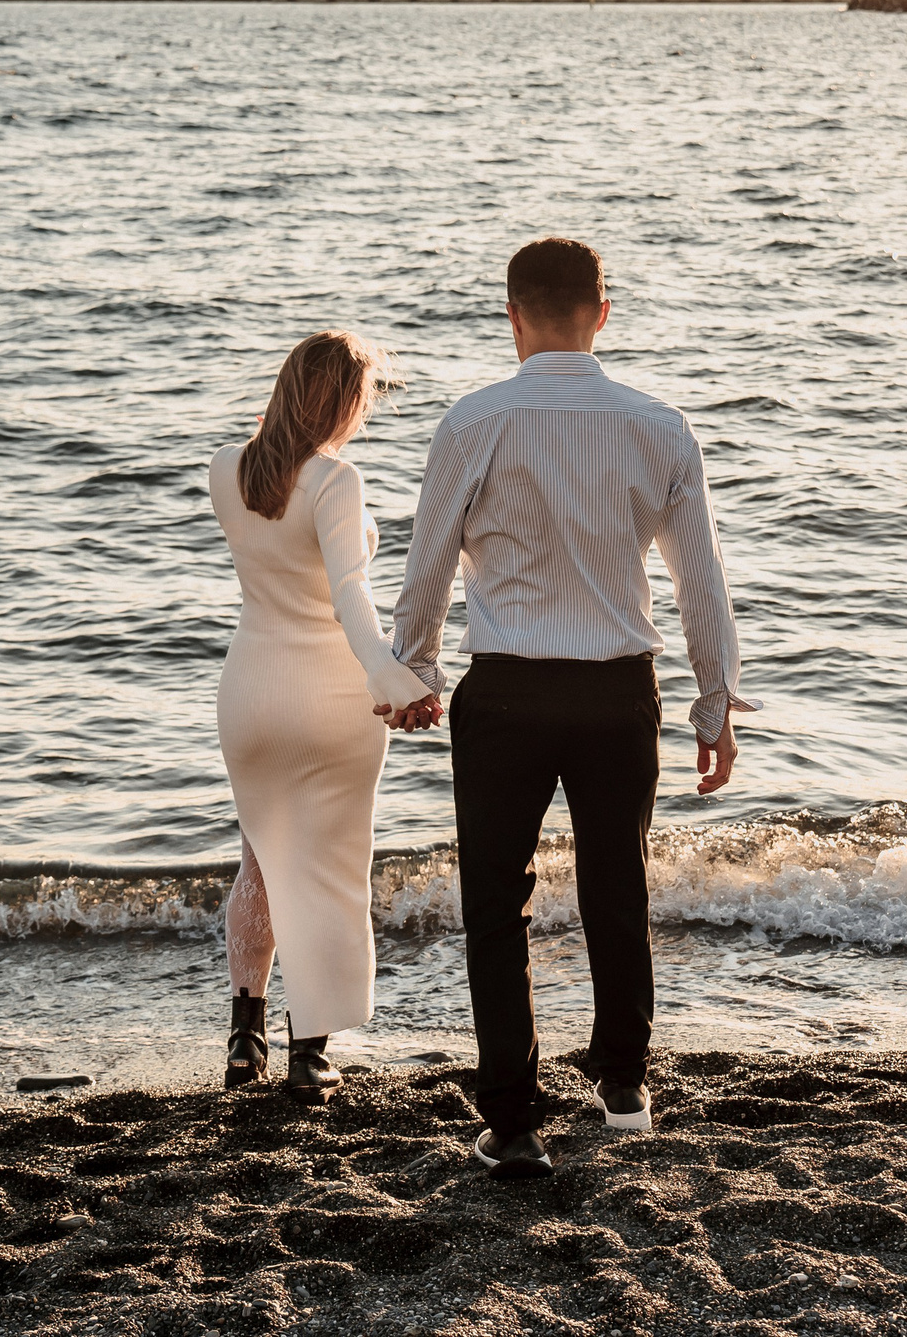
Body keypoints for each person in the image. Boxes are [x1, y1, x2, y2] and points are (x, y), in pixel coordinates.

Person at [385, 237, 754, 1178]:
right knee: (615, 886)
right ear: (602, 311)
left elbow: (427, 564)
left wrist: (411, 673)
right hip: (615, 687)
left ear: (512, 315)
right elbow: (699, 578)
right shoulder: (658, 425)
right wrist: (716, 703)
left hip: (506, 688)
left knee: (494, 903)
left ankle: (512, 1119)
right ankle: (623, 1084)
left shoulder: (474, 421)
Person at [209, 331, 434, 1097]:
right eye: (364, 397)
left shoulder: (227, 469)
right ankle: (309, 1050)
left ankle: (245, 1038)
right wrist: (395, 678)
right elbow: (349, 598)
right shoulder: (335, 479)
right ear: (342, 399)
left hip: (249, 693)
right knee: (330, 867)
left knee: (262, 862)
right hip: (327, 695)